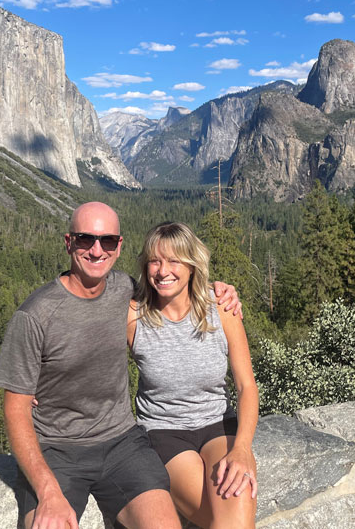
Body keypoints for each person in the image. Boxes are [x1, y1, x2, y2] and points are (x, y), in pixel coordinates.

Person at [0, 202, 241, 529]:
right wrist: (47, 488)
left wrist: (216, 290)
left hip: (123, 445)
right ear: (69, 243)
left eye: (107, 241)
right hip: (56, 451)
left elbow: (171, 289)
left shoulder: (126, 291)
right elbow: (15, 409)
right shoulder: (34, 315)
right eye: (85, 240)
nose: (96, 250)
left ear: (119, 246)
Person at [128, 222, 258, 529]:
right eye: (155, 261)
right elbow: (84, 340)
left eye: (174, 261)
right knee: (226, 518)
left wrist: (242, 448)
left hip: (219, 426)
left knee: (234, 499)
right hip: (163, 434)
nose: (163, 271)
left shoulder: (220, 308)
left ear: (192, 266)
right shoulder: (134, 316)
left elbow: (246, 385)